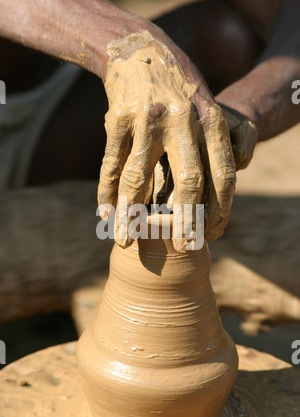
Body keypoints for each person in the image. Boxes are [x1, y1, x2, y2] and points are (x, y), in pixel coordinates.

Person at [0, 0, 299, 247]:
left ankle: (125, 249)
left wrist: (238, 111)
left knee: (227, 35)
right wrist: (130, 44)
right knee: (150, 61)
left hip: (56, 108)